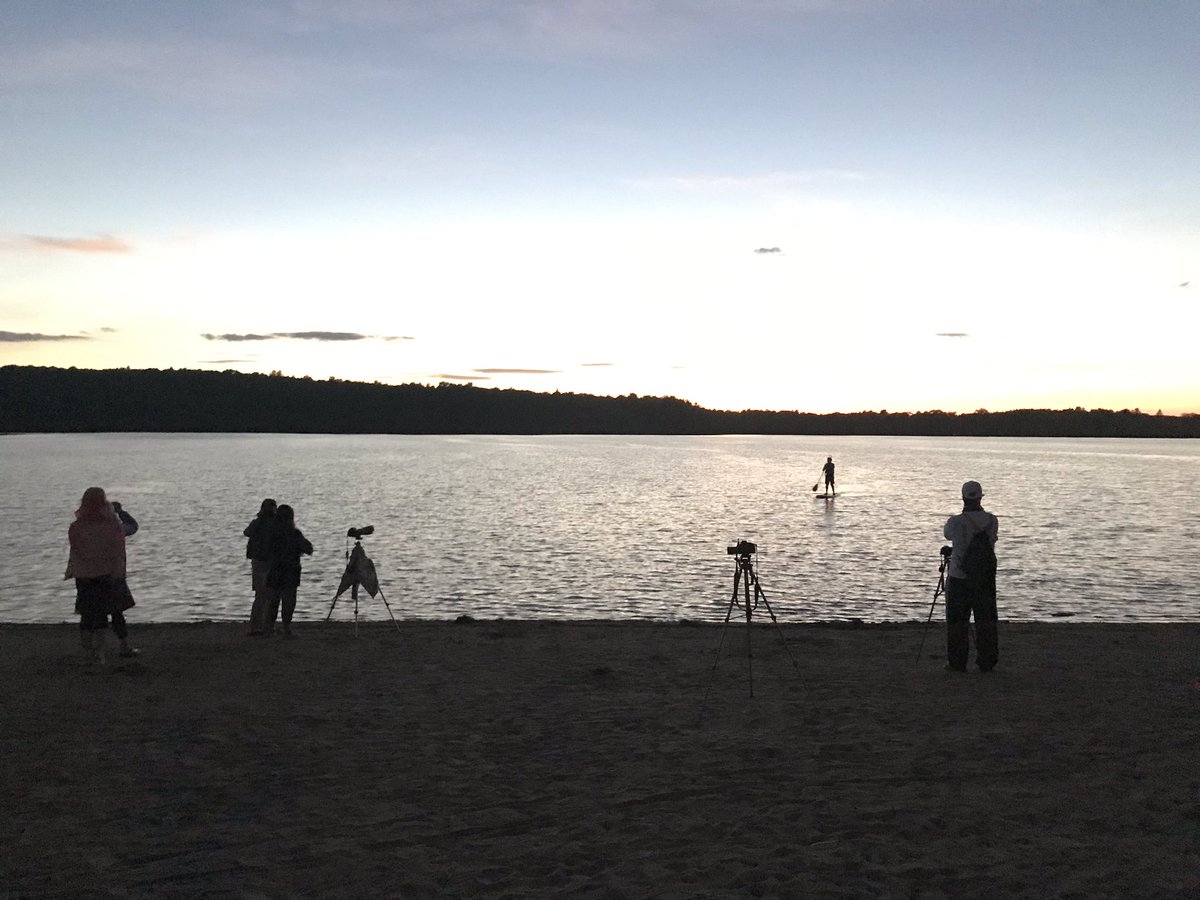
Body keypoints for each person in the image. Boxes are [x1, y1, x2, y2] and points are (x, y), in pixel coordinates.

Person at [942, 480, 999, 672]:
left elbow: (948, 536)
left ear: (963, 497)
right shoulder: (993, 521)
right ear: (981, 497)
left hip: (960, 577)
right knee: (986, 621)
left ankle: (957, 663)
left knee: (957, 623)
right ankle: (987, 661)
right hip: (985, 578)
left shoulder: (955, 522)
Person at [67, 487, 126, 664]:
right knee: (101, 615)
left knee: (86, 614)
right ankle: (99, 652)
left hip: (83, 574)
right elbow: (118, 550)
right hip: (105, 572)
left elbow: (75, 550)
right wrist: (118, 571)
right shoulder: (112, 524)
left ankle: (88, 652)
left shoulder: (76, 526)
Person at [265, 504, 313, 638]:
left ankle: (269, 628)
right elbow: (308, 548)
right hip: (291, 571)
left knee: (274, 601)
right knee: (289, 601)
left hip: (275, 570)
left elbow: (266, 550)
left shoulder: (272, 533)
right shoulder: (294, 533)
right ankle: (286, 629)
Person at [109, 500, 140, 658]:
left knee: (91, 615)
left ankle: (93, 651)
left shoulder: (79, 527)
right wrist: (120, 512)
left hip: (87, 575)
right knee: (116, 613)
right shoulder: (115, 528)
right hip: (113, 575)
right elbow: (133, 526)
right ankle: (123, 646)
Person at [243, 498, 277, 636]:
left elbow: (247, 532)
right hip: (268, 561)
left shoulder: (257, 523)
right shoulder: (274, 524)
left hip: (259, 561)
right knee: (267, 595)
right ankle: (263, 626)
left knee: (261, 595)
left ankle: (257, 626)